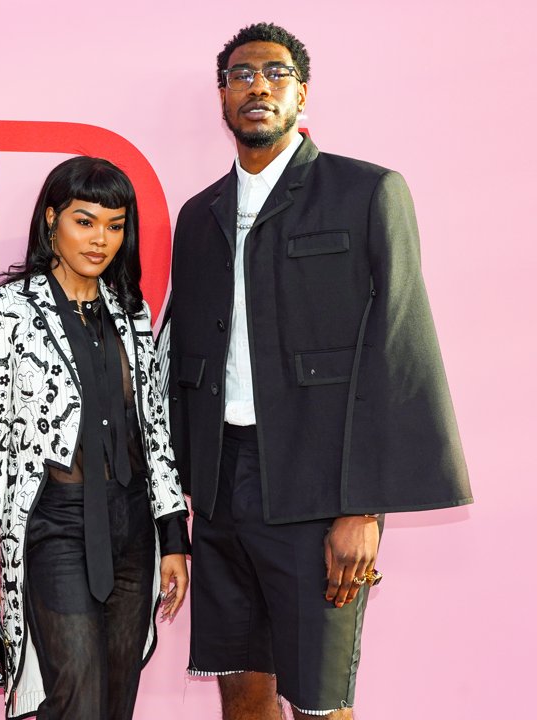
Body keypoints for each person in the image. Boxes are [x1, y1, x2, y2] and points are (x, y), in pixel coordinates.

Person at [162, 22, 473, 719]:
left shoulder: (367, 193)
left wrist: (361, 507)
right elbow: (183, 361)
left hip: (319, 491)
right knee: (241, 694)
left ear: (302, 92)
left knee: (320, 703)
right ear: (222, 98)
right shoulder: (197, 216)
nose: (258, 87)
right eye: (241, 76)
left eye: (275, 73)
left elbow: (398, 352)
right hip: (218, 494)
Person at [0, 156, 190, 720]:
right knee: (76, 703)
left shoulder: (134, 314)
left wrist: (174, 536)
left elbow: (153, 430)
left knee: (115, 704)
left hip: (133, 527)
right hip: (53, 525)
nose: (101, 239)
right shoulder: (1, 313)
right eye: (84, 222)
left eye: (115, 225)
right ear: (51, 220)